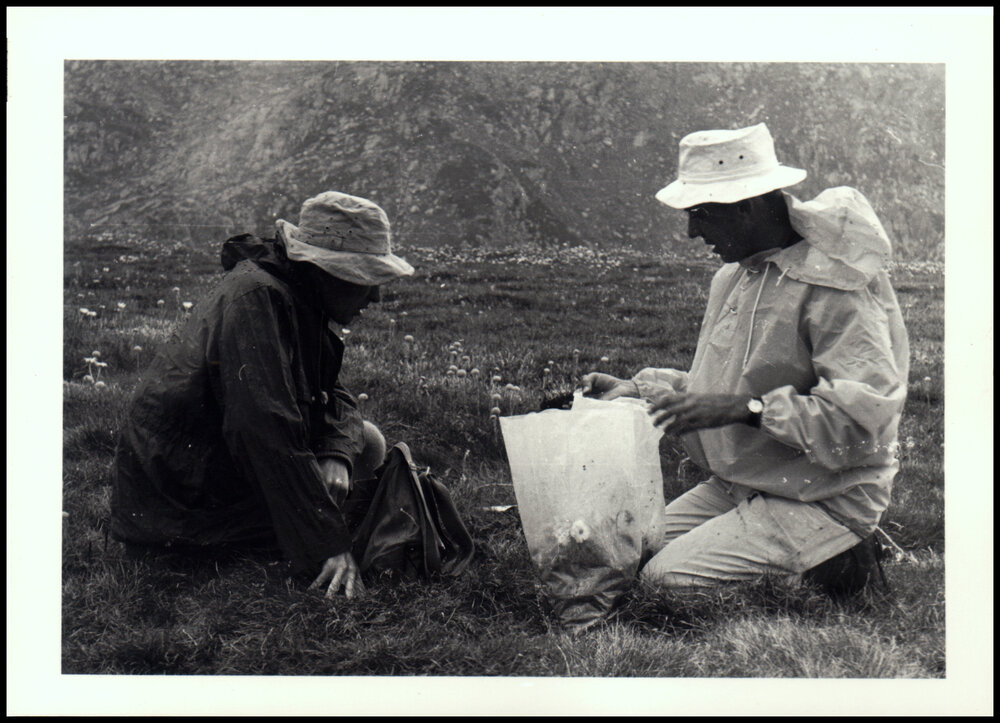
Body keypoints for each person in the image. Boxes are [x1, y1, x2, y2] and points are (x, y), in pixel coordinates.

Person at [583, 123, 909, 590]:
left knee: (663, 582)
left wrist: (747, 409)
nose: (693, 231)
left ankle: (840, 559)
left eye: (701, 214)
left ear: (749, 206)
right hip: (747, 483)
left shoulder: (836, 288)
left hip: (822, 497)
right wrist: (636, 389)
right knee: (617, 551)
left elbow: (859, 423)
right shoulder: (739, 276)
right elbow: (720, 386)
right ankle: (786, 558)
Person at [111, 191, 414, 599]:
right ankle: (197, 554)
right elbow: (265, 431)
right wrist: (328, 545)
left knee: (367, 443)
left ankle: (298, 529)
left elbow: (335, 395)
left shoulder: (298, 296)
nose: (374, 296)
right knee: (366, 508)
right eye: (366, 279)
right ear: (327, 270)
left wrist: (337, 452)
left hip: (214, 468)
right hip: (181, 500)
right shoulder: (258, 299)